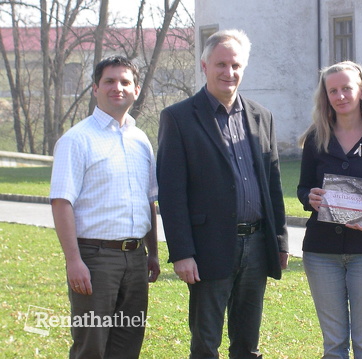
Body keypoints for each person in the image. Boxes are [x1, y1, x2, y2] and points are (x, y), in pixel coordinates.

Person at [156, 29, 289, 359]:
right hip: (207, 249)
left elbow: (273, 184)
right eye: (220, 64)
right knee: (206, 344)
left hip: (257, 245)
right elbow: (171, 193)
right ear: (204, 65)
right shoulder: (178, 118)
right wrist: (182, 252)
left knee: (248, 345)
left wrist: (280, 241)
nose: (228, 73)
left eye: (235, 65)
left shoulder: (261, 117)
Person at [50, 56, 160, 359]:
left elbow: (149, 200)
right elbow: (61, 203)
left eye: (125, 82)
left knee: (128, 344)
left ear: (136, 89)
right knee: (92, 347)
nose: (118, 88)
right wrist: (74, 261)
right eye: (110, 81)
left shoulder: (141, 141)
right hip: (95, 260)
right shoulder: (77, 140)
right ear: (95, 88)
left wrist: (153, 253)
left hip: (136, 260)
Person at [297, 61, 362, 358]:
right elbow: (303, 188)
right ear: (326, 96)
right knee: (333, 345)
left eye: (347, 88)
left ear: (361, 91)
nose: (340, 95)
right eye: (333, 90)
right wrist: (311, 198)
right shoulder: (316, 139)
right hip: (321, 253)